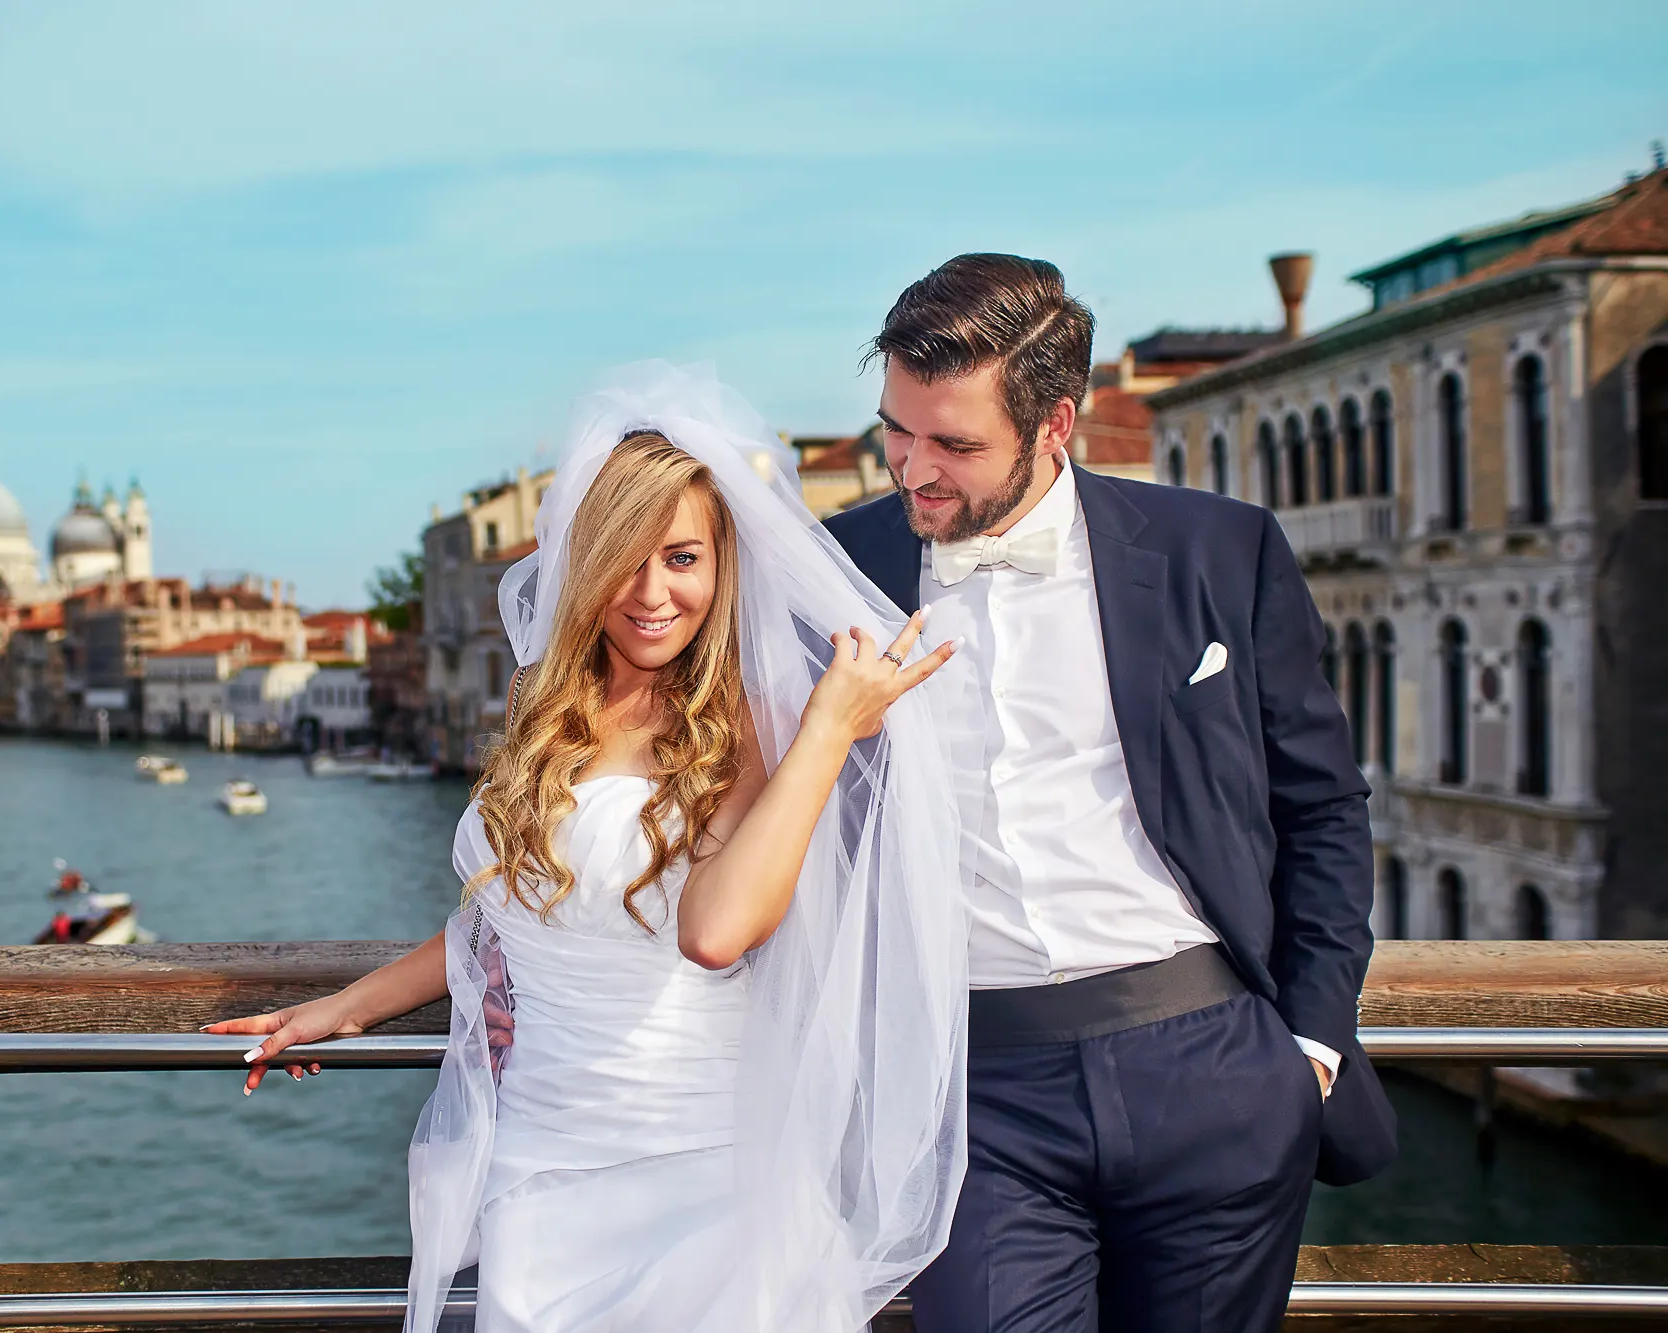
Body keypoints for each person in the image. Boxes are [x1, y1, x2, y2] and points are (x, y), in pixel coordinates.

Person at [210, 365, 972, 1332]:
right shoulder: (543, 709)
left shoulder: (756, 719)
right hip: (540, 1178)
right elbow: (504, 923)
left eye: (684, 558)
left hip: (707, 1185)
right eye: (626, 557)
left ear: (722, 566)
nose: (653, 593)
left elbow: (716, 931)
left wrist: (827, 729)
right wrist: (343, 1006)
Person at [823, 255, 1398, 1333]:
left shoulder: (1218, 551)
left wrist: (1308, 1047)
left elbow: (1320, 806)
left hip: (1211, 1065)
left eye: (953, 444)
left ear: (1054, 426)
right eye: (893, 430)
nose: (910, 471)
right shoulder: (833, 564)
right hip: (968, 1095)